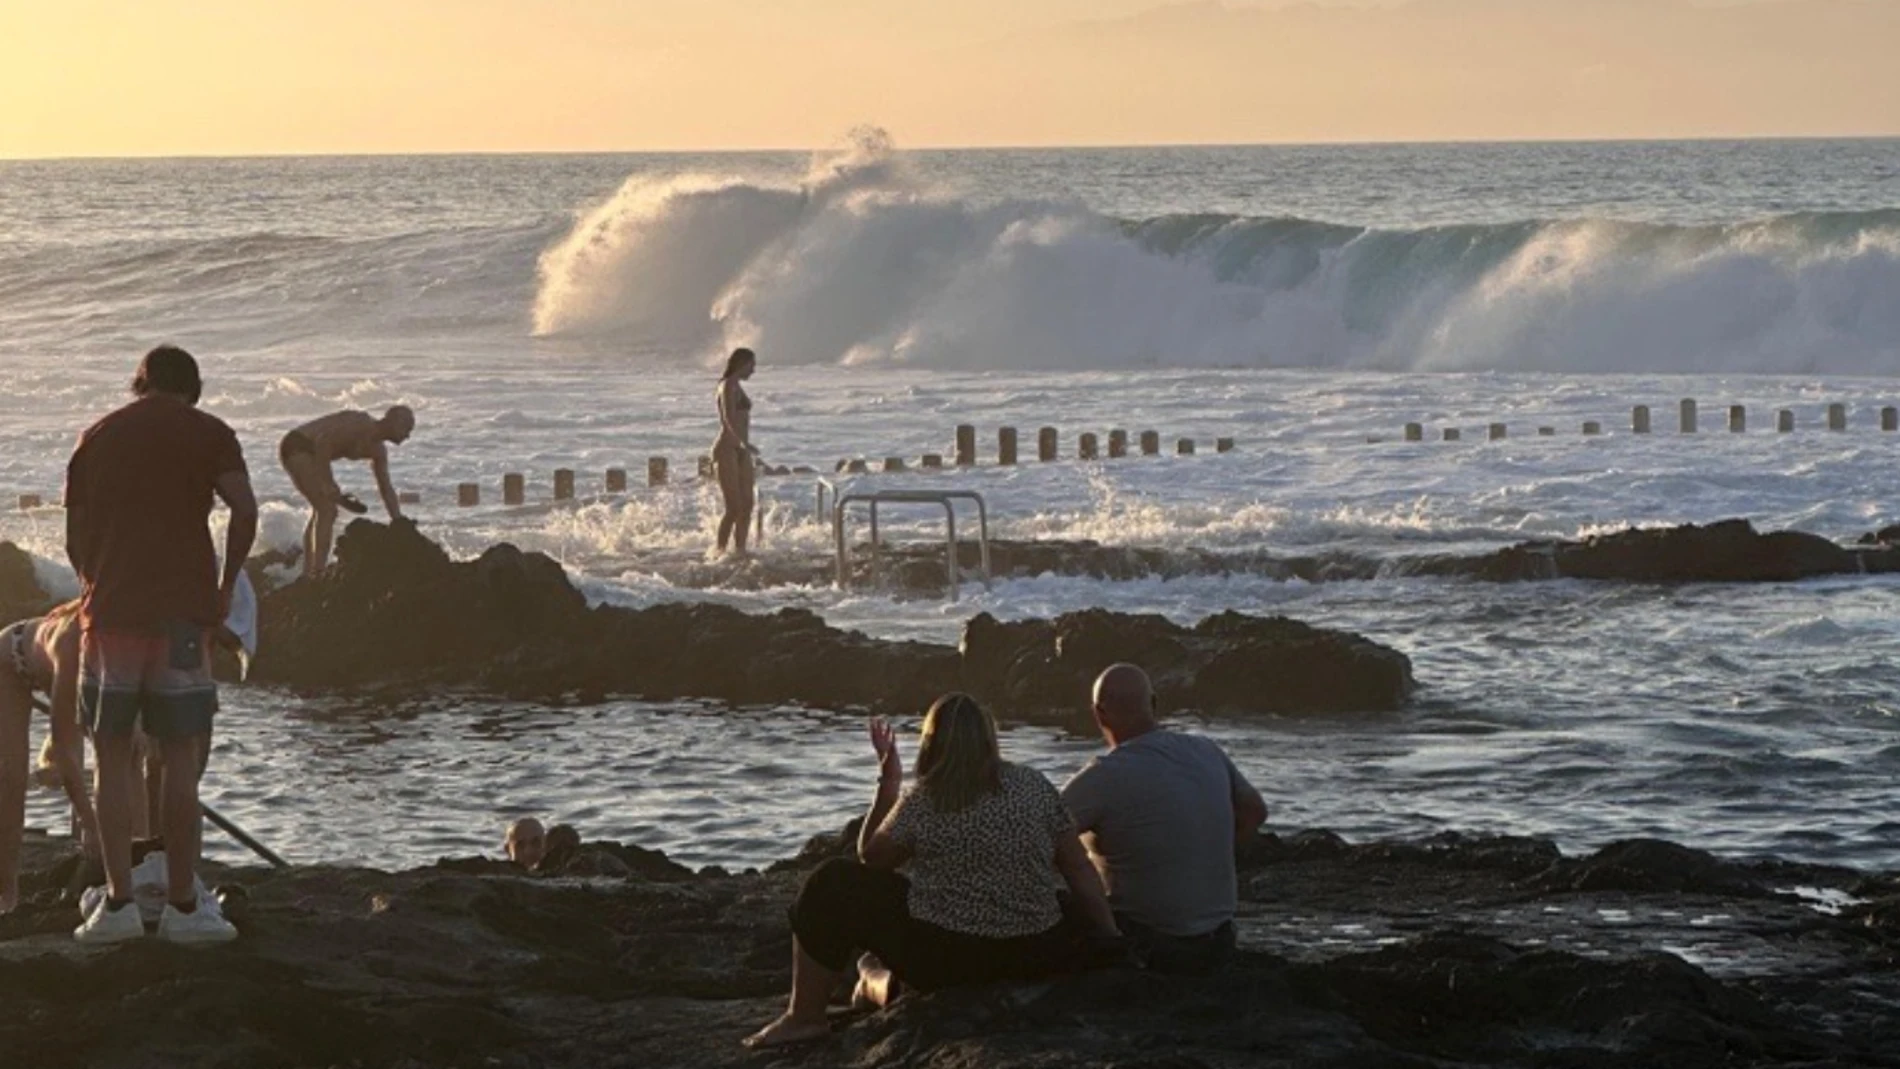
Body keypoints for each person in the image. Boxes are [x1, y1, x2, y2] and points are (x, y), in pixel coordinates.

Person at [745, 694, 1120, 1049]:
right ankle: (875, 981)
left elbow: (871, 859)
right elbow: (1078, 868)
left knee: (832, 881)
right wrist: (1111, 937)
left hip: (947, 960)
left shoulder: (926, 797)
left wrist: (889, 780)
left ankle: (806, 1016)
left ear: (932, 742)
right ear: (990, 739)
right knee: (1059, 900)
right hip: (1032, 954)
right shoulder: (1033, 786)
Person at [64, 344, 258, 944]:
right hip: (181, 620)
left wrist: (96, 584)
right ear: (190, 388)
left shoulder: (96, 436)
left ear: (140, 383)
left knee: (112, 757)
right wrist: (225, 583)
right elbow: (245, 510)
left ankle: (118, 905)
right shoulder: (208, 433)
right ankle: (181, 904)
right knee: (179, 757)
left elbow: (75, 537)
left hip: (112, 616)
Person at [1061, 664, 1269, 974]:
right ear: (1154, 704)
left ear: (1099, 714)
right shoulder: (1206, 750)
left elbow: (1037, 833)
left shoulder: (1103, 776)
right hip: (1219, 940)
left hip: (1149, 942)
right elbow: (1255, 812)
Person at [0, 601, 100, 912]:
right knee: (11, 778)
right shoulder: (71, 646)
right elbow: (63, 744)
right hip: (10, 659)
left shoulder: (126, 642)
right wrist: (91, 820)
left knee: (112, 757)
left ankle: (92, 867)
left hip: (53, 667)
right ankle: (6, 893)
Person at [279, 406, 415, 578]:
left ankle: (308, 572)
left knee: (321, 509)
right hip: (297, 444)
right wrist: (328, 482)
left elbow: (386, 488)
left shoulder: (378, 451)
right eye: (407, 428)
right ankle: (317, 572)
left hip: (312, 454)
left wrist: (398, 521)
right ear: (393, 421)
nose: (408, 435)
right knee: (327, 510)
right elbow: (322, 443)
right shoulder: (360, 424)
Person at [711, 348, 757, 557]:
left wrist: (745, 446)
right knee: (733, 507)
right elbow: (728, 419)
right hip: (728, 448)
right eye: (751, 365)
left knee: (748, 503)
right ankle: (719, 550)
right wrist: (741, 442)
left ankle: (740, 550)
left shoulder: (737, 385)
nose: (753, 370)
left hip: (742, 449)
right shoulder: (727, 385)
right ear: (742, 363)